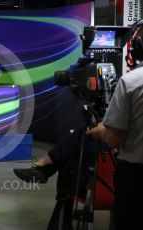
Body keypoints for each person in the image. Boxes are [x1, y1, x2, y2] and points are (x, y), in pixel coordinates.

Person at [87, 19, 143, 230]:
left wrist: (102, 129)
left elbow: (113, 139)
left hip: (136, 179)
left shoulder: (131, 82)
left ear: (137, 47)